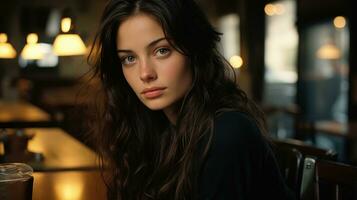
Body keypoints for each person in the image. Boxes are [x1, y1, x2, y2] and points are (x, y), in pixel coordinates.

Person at [87, 0, 296, 199]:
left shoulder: (227, 132)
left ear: (194, 51)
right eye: (129, 58)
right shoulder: (154, 130)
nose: (145, 74)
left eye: (162, 51)